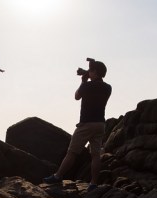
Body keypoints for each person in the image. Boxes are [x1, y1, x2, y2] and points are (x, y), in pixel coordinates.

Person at [43, 57, 111, 190]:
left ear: (95, 72)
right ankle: (93, 183)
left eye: (91, 71)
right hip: (100, 124)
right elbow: (96, 82)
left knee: (72, 152)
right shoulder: (108, 88)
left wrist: (83, 80)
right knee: (96, 155)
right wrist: (89, 72)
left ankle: (58, 176)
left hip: (86, 124)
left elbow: (76, 96)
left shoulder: (86, 85)